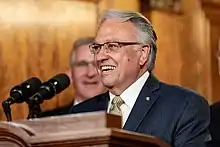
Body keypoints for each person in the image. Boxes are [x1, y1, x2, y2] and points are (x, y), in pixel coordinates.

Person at [70, 10, 210, 147]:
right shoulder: (81, 113)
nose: (100, 57)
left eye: (112, 46)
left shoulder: (183, 106)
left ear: (143, 54)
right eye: (97, 47)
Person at [41, 37, 106, 117]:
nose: (90, 73)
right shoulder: (48, 120)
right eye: (82, 64)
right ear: (71, 74)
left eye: (97, 64)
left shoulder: (123, 119)